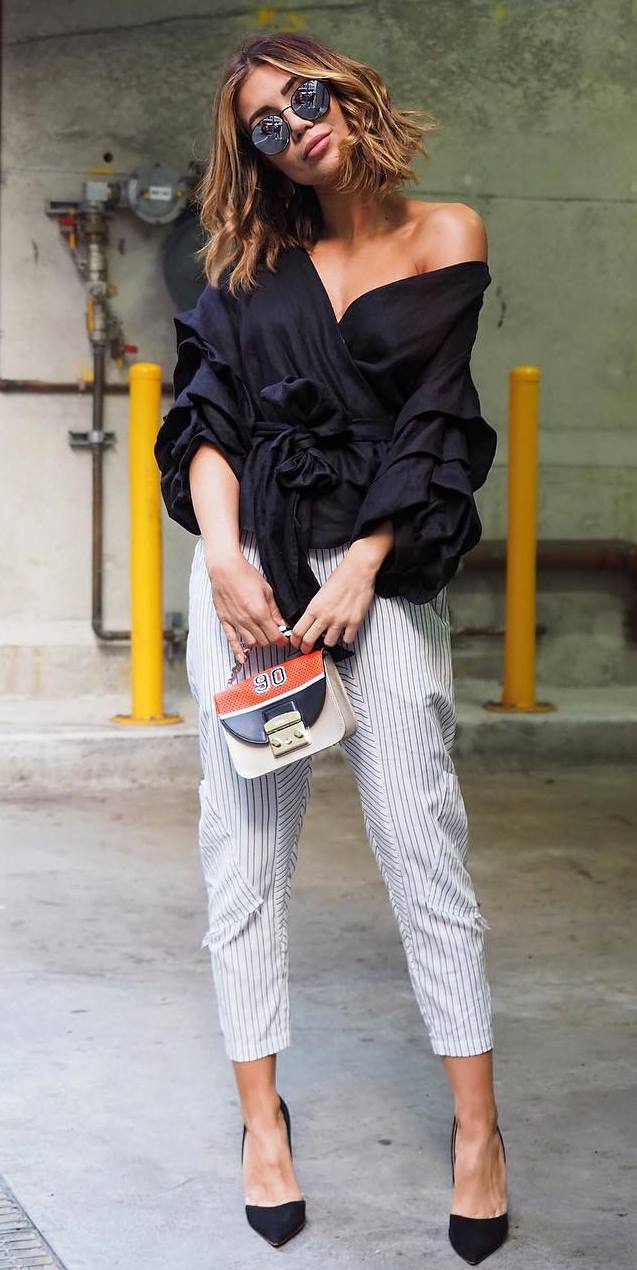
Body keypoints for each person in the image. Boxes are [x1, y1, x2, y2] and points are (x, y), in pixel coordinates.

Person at [154, 30, 509, 1264]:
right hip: (252, 589)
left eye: (305, 96)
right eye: (264, 122)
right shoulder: (251, 265)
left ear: (345, 93)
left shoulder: (446, 232)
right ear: (257, 155)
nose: (294, 123)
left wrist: (363, 560)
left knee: (426, 855)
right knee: (242, 864)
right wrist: (222, 554)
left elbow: (436, 424)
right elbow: (205, 414)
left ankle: (478, 1131)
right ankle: (262, 1122)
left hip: (382, 577)